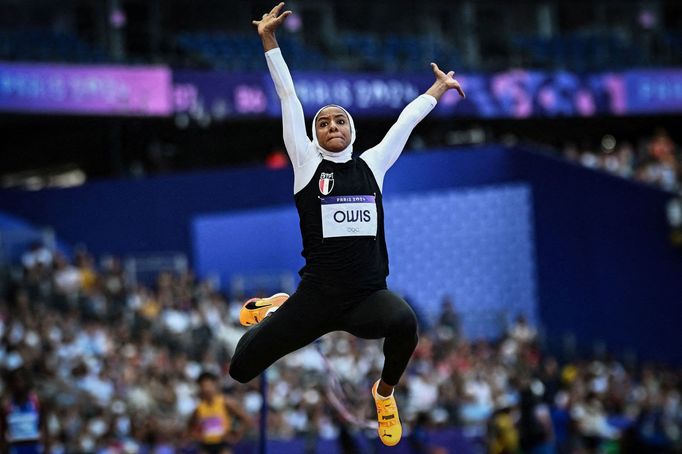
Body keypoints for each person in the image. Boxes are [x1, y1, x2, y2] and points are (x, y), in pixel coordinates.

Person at [228, 2, 465, 447]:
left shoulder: (372, 165)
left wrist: (437, 89)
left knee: (404, 323)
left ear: (351, 130)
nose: (331, 125)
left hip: (365, 298)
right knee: (240, 369)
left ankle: (384, 393)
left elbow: (405, 122)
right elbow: (288, 98)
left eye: (339, 120)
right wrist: (269, 40)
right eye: (323, 122)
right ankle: (278, 307)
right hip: (316, 298)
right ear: (313, 135)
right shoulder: (304, 165)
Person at [188, 371, 253, 454]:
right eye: (203, 386)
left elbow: (247, 419)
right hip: (205, 445)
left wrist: (237, 435)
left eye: (209, 385)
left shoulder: (226, 402)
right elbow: (190, 426)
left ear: (215, 385)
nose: (206, 389)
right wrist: (196, 436)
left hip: (223, 444)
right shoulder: (199, 407)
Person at [0, 368, 50, 454]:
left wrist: (46, 448)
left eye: (21, 381)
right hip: (14, 446)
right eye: (15, 381)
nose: (18, 384)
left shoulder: (37, 402)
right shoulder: (6, 405)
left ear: (27, 382)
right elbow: (2, 430)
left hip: (34, 446)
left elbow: (44, 427)